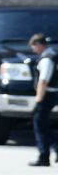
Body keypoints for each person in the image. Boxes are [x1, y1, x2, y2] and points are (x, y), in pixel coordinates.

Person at [27, 33, 58, 167]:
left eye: (33, 46)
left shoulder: (46, 59)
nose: (33, 50)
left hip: (47, 95)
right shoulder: (52, 54)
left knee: (39, 125)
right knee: (43, 125)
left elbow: (43, 81)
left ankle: (43, 156)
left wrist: (38, 100)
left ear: (39, 44)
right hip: (52, 94)